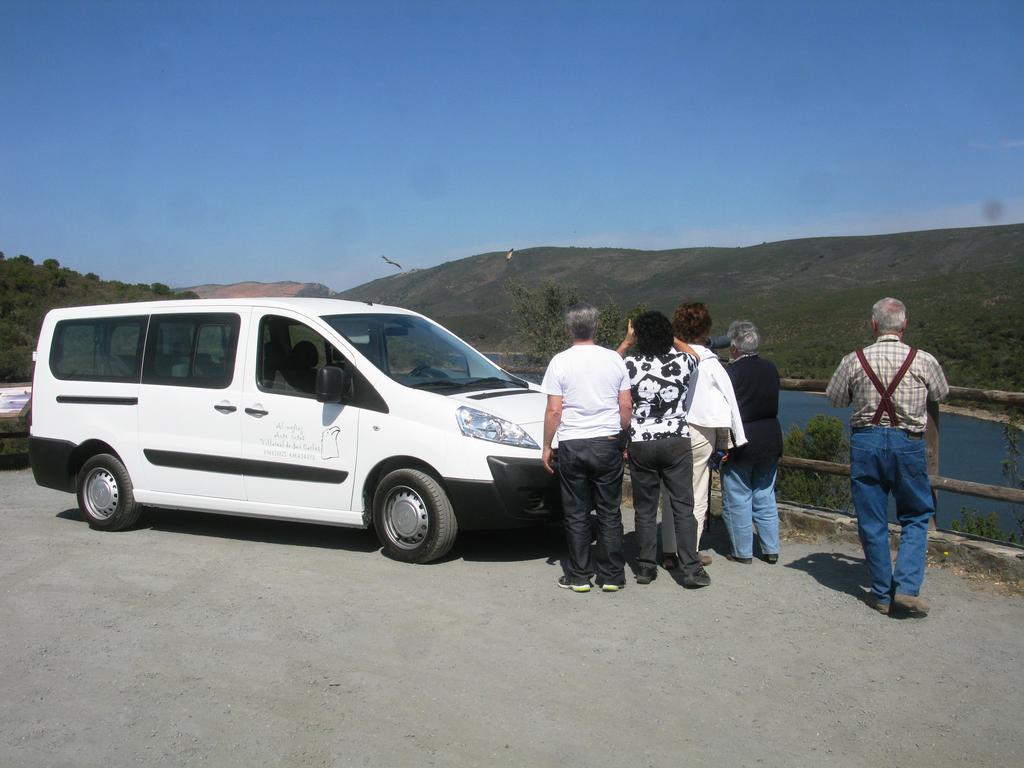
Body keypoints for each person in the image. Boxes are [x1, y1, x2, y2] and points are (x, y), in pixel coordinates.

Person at [826, 298, 949, 617]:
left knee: (872, 518)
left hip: (866, 442)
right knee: (917, 513)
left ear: (874, 325)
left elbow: (836, 399)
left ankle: (881, 593)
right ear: (904, 326)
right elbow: (941, 393)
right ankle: (906, 587)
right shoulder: (922, 360)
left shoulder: (854, 360)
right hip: (907, 444)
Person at [541, 303, 632, 593]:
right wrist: (623, 436)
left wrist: (546, 445)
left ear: (569, 329)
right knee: (609, 511)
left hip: (573, 444)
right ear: (595, 328)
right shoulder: (614, 360)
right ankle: (612, 575)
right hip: (607, 442)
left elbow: (554, 411)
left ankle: (579, 576)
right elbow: (626, 405)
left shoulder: (560, 362)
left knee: (577, 512)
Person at [617, 311, 709, 588]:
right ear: (667, 335)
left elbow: (610, 363)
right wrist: (671, 336)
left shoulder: (629, 364)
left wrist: (627, 341)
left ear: (639, 336)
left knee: (645, 508)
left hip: (641, 441)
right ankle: (691, 569)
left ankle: (645, 568)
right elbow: (696, 355)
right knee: (683, 506)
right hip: (676, 441)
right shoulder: (682, 362)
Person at [671, 302, 748, 566]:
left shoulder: (668, 356)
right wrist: (727, 441)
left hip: (669, 430)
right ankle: (688, 552)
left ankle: (670, 550)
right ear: (705, 329)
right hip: (700, 432)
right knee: (696, 492)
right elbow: (724, 404)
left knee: (670, 490)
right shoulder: (711, 363)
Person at [721, 320, 783, 565]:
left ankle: (742, 550)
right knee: (765, 494)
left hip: (742, 438)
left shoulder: (731, 372)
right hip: (770, 435)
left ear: (734, 347)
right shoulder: (770, 367)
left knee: (738, 495)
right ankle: (771, 548)